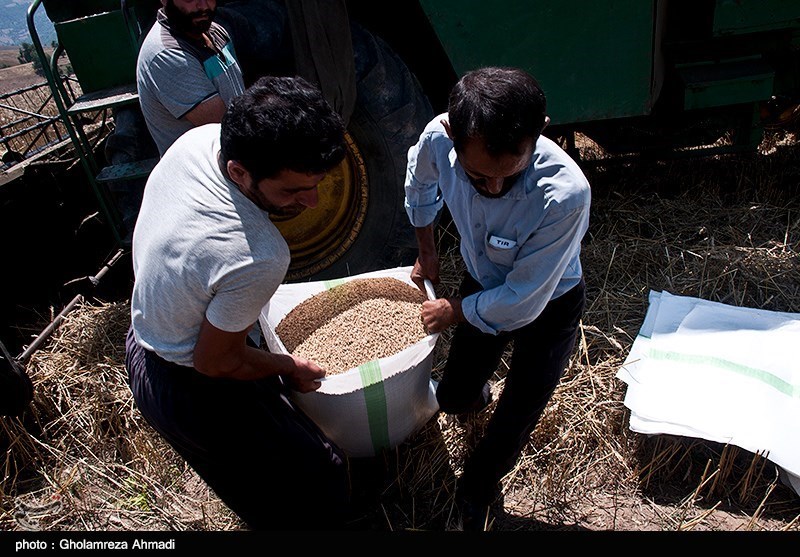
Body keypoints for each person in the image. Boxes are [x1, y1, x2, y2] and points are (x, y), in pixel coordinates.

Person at [124, 75, 351, 530]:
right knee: (319, 481)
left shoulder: (199, 142)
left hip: (143, 336)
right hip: (189, 385)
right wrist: (287, 366)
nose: (312, 202)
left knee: (252, 480)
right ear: (239, 172)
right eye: (292, 191)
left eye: (318, 182)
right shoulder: (258, 255)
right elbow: (214, 362)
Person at [404, 66, 591, 530]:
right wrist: (428, 252)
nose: (492, 188)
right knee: (453, 394)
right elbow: (420, 183)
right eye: (476, 176)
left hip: (551, 302)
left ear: (539, 132)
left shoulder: (565, 194)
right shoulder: (437, 137)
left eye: (508, 175)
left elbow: (525, 299)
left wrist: (454, 311)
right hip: (482, 281)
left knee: (520, 404)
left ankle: (480, 483)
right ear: (452, 133)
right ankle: (471, 396)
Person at [136, 0, 246, 157]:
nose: (203, 7)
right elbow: (225, 128)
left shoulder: (215, 32)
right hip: (204, 173)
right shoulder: (168, 55)